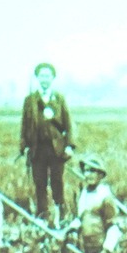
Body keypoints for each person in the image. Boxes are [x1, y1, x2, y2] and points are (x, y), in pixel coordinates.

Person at [19, 62, 73, 223]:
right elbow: (24, 124)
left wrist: (69, 146)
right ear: (37, 78)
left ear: (52, 78)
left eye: (47, 76)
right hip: (37, 149)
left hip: (56, 149)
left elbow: (68, 123)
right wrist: (23, 146)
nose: (44, 79)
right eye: (42, 76)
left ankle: (60, 215)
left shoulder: (59, 99)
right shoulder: (30, 100)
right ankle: (42, 215)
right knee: (40, 183)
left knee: (57, 182)